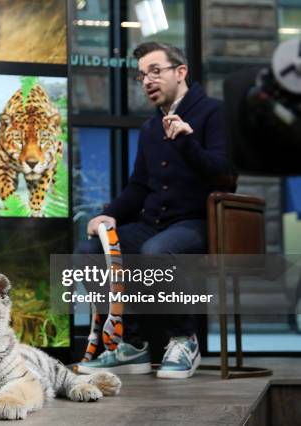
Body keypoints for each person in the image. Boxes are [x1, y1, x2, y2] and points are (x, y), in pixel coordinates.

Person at [76, 42, 233, 379]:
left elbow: (226, 176)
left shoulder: (213, 112)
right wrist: (110, 214)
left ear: (181, 72)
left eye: (155, 71)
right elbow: (138, 186)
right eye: (142, 75)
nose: (147, 80)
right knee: (89, 251)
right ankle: (132, 345)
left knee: (156, 251)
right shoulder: (150, 128)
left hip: (197, 222)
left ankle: (184, 339)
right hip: (153, 224)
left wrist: (188, 142)